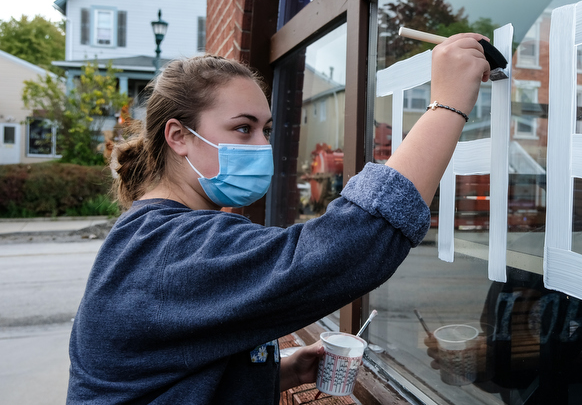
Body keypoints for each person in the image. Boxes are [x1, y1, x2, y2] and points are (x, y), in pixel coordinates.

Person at [67, 34, 492, 403]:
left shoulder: (152, 233)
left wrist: (277, 373)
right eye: (242, 128)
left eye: (265, 130)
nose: (260, 145)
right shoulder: (171, 247)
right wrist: (448, 105)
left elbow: (169, 374)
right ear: (178, 137)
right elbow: (355, 243)